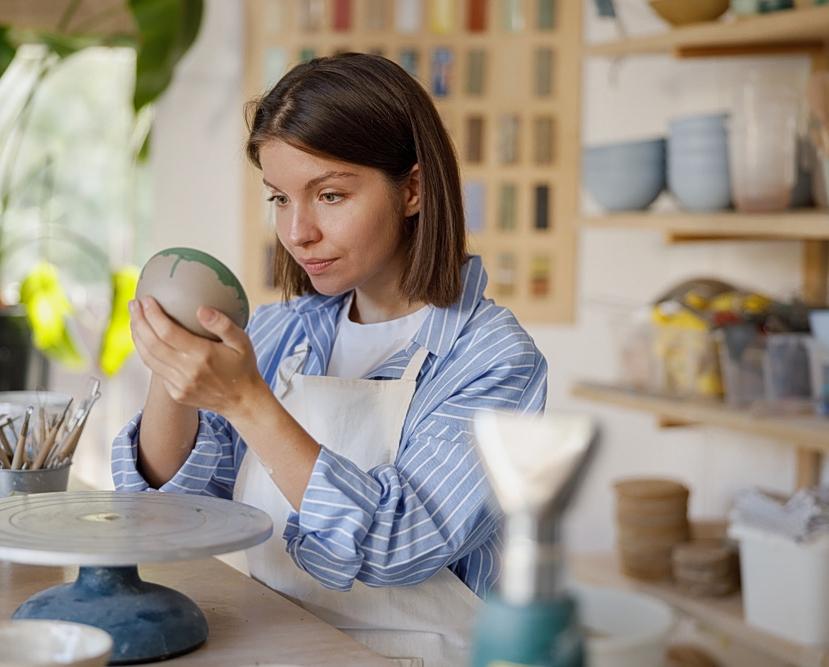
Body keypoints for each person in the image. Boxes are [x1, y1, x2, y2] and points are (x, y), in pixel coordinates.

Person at [113, 52, 548, 666]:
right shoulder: (278, 332)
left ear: (414, 190)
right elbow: (172, 513)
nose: (298, 232)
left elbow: (401, 542)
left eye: (331, 194)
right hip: (271, 646)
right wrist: (173, 366)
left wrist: (246, 401)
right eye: (280, 199)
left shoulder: (494, 359)